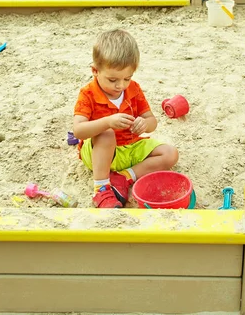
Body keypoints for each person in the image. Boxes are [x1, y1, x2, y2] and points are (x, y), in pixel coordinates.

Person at [72, 29, 179, 208]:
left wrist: (144, 124)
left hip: (130, 147)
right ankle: (101, 190)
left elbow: (152, 121)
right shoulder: (88, 94)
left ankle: (124, 177)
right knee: (106, 133)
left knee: (170, 154)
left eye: (127, 78)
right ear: (95, 71)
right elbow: (78, 130)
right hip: (100, 154)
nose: (120, 85)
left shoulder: (133, 89)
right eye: (113, 79)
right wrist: (107, 122)